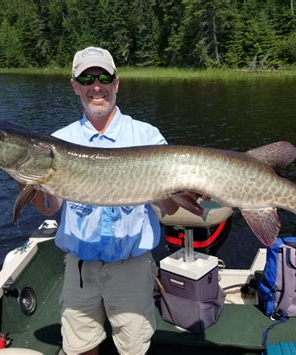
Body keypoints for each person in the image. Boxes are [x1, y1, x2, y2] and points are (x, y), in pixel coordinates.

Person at [27, 46, 184, 355]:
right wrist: (30, 183)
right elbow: (50, 207)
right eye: (86, 78)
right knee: (81, 347)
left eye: (103, 77)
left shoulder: (147, 136)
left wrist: (180, 191)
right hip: (80, 270)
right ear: (75, 85)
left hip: (132, 268)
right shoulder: (58, 142)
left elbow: (170, 207)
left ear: (117, 82)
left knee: (133, 348)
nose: (96, 86)